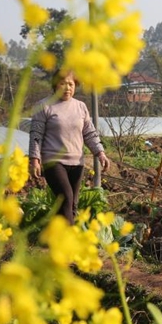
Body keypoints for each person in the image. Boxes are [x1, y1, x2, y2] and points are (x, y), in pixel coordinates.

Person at [29, 70, 111, 224]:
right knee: (66, 197)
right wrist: (35, 159)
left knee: (71, 204)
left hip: (76, 162)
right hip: (53, 161)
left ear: (75, 86)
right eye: (62, 83)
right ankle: (71, 243)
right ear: (55, 85)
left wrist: (100, 152)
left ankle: (54, 238)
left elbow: (89, 133)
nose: (67, 88)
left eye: (71, 84)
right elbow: (36, 135)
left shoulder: (80, 107)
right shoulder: (44, 106)